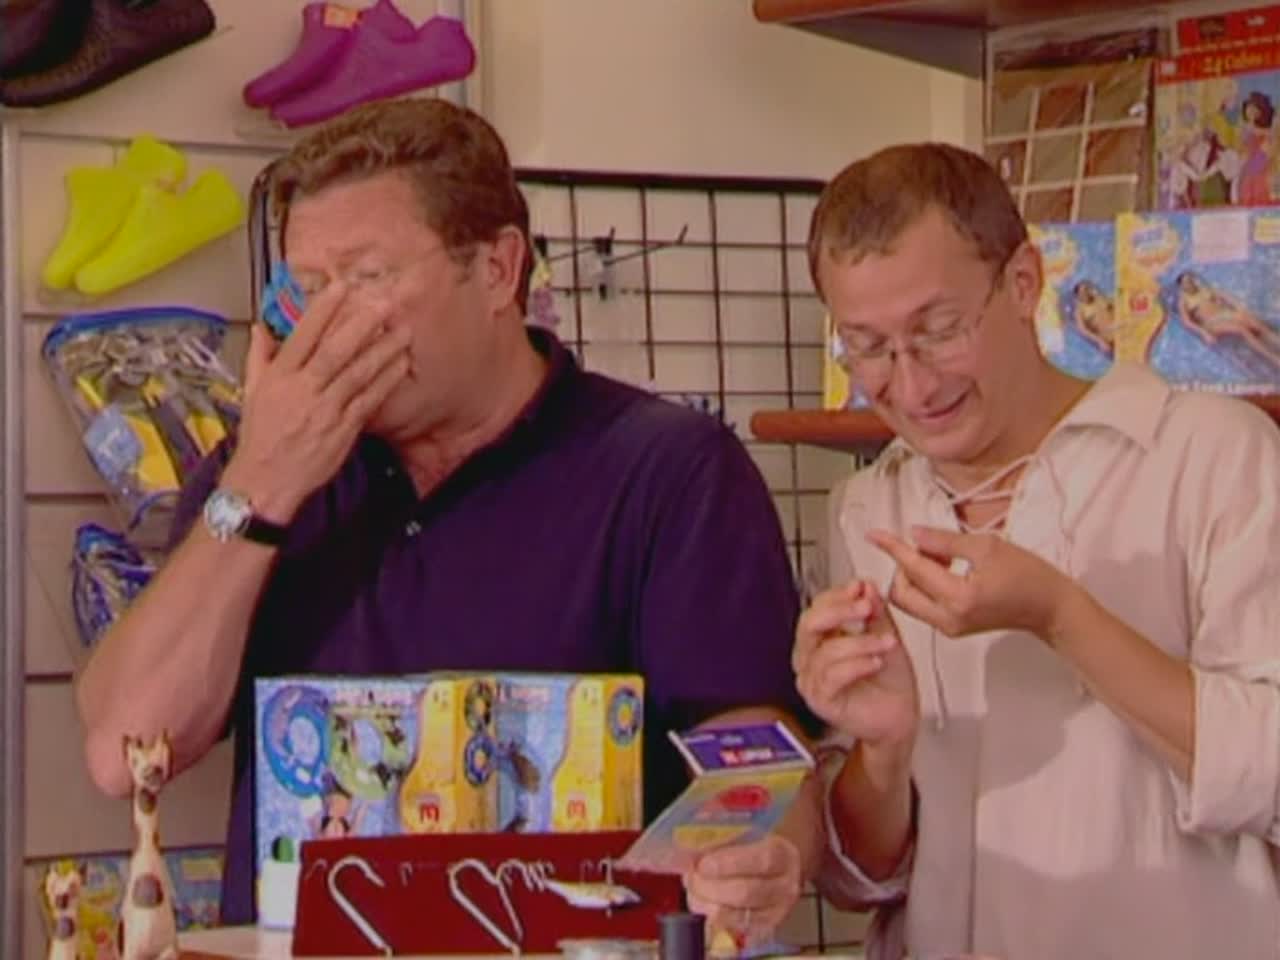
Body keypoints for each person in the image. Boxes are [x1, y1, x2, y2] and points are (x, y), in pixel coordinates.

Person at [75, 98, 821, 943]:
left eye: (368, 278)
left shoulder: (667, 469)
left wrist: (759, 857)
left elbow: (751, 743)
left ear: (498, 269)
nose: (330, 325)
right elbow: (123, 750)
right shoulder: (255, 478)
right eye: (308, 289)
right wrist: (261, 483)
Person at [793, 143, 1280, 960]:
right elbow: (861, 879)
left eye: (939, 331)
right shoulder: (865, 511)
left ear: (1023, 282)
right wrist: (884, 749)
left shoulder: (1211, 456)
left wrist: (1061, 618)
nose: (911, 386)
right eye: (868, 348)